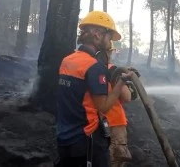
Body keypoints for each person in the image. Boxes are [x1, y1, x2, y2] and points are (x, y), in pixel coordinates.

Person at [54, 10, 133, 167]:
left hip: (64, 137)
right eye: (109, 36)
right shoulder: (94, 67)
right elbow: (103, 107)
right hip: (87, 140)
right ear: (97, 33)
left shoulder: (67, 60)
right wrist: (121, 83)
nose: (110, 41)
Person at [101, 42, 136, 167]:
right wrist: (129, 86)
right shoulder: (113, 70)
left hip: (96, 123)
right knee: (116, 159)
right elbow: (127, 97)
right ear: (109, 52)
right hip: (115, 122)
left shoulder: (90, 68)